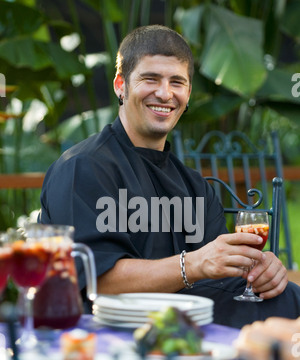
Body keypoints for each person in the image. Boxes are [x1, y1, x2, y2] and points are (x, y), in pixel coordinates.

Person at [38, 25, 300, 328]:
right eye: (150, 79)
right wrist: (194, 264)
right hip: (103, 334)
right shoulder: (82, 167)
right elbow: (96, 281)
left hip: (188, 332)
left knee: (287, 297)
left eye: (177, 82)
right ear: (120, 85)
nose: (165, 93)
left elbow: (223, 276)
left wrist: (261, 271)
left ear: (188, 94)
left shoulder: (195, 187)